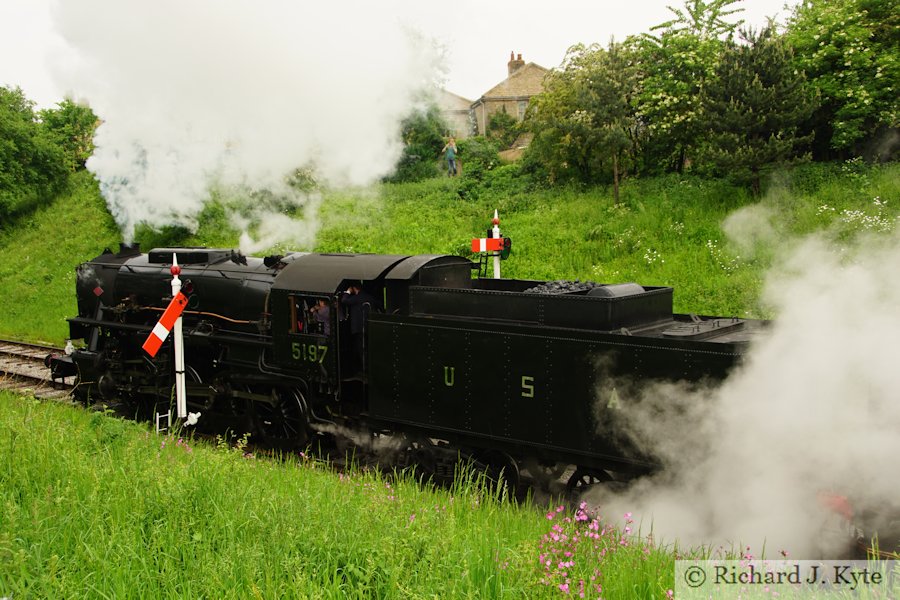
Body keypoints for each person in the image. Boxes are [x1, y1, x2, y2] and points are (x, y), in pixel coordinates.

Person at [341, 283, 378, 376]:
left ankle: (365, 370)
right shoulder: (369, 297)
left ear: (354, 288)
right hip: (369, 327)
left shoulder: (357, 297)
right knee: (366, 348)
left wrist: (348, 292)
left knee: (361, 349)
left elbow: (344, 300)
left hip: (359, 328)